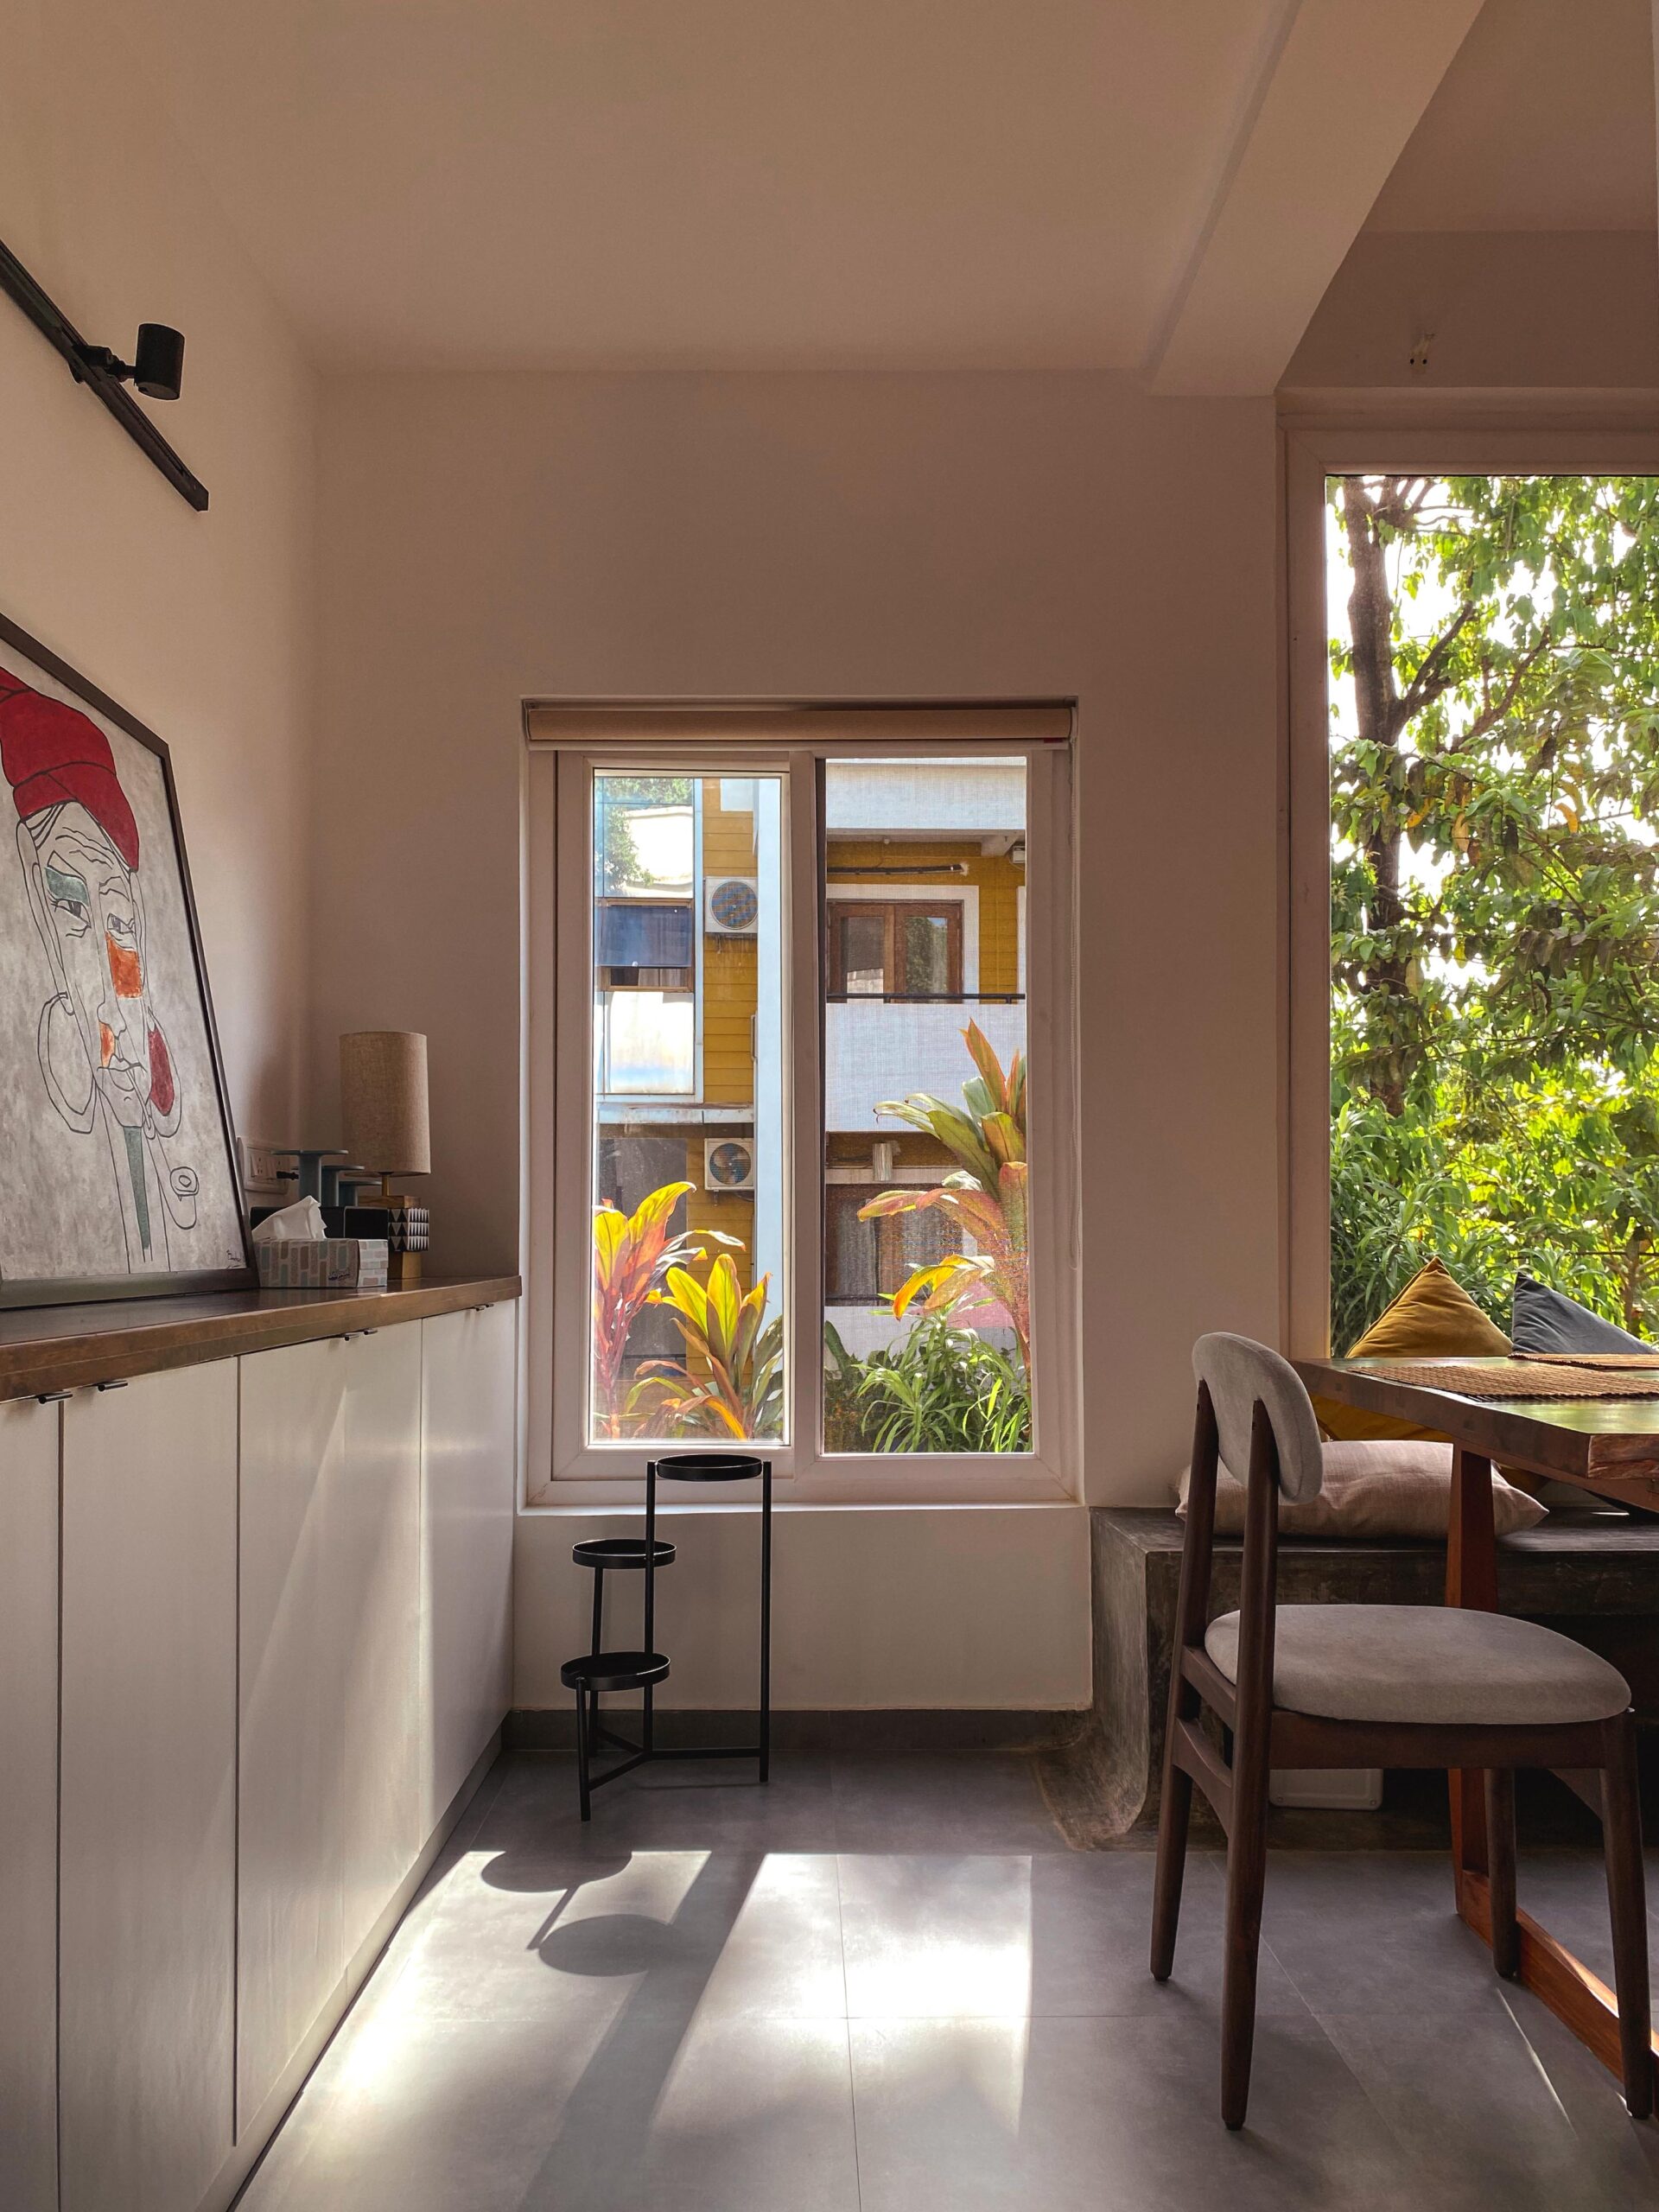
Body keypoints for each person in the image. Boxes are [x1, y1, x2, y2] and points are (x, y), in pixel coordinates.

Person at [1, 664, 198, 1269]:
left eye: (120, 921)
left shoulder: (130, 1004)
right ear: (33, 895)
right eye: (69, 904)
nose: (111, 977)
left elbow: (121, 983)